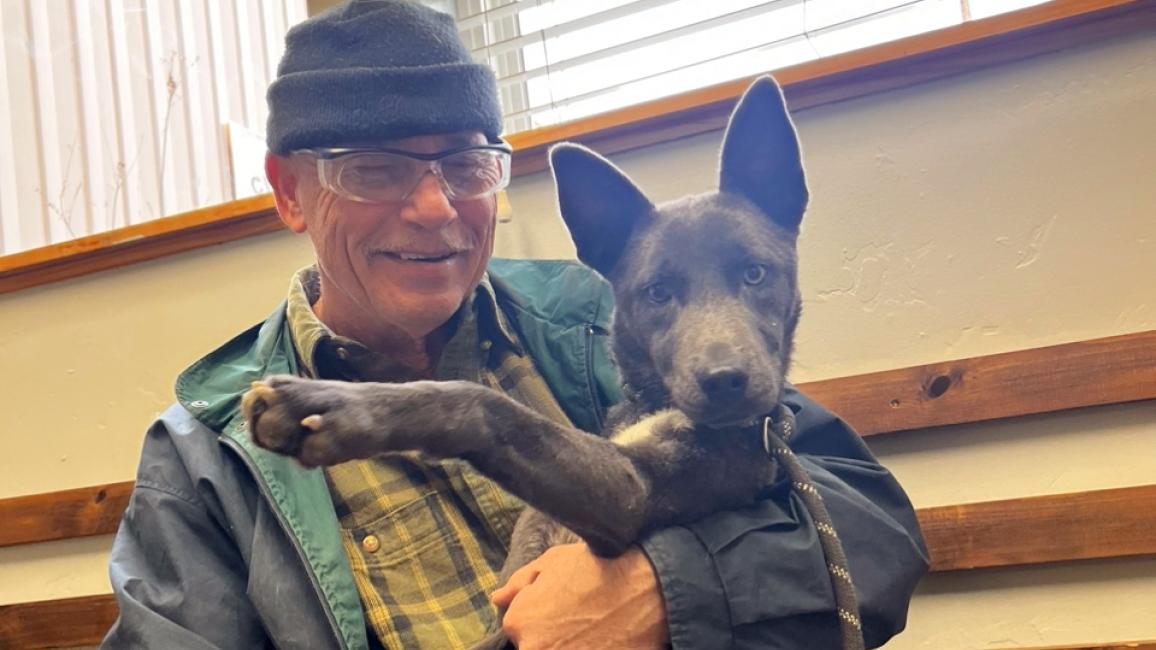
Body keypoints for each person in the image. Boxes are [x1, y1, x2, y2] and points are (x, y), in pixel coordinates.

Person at [103, 1, 928, 648]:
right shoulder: (204, 455)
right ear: (289, 193)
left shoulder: (608, 321)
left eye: (464, 166)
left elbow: (872, 531)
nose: (433, 208)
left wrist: (665, 594)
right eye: (376, 170)